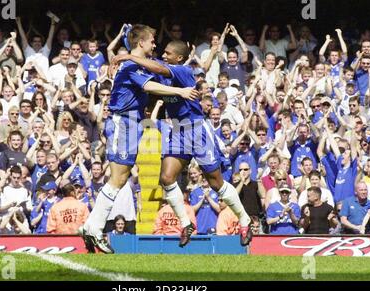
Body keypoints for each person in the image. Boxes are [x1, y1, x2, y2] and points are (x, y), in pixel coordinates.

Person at [111, 38, 253, 248]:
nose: (163, 54)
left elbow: (157, 66)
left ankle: (244, 219)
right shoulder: (163, 67)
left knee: (215, 183)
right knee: (166, 178)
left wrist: (130, 56)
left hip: (196, 130)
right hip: (177, 129)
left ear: (179, 58)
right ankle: (186, 224)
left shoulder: (182, 72)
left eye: (168, 53)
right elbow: (149, 72)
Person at [79, 24, 200, 254]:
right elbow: (149, 86)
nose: (155, 44)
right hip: (123, 123)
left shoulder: (137, 63)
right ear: (141, 42)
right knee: (117, 178)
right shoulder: (130, 65)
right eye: (152, 40)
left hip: (133, 124)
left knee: (120, 178)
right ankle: (94, 228)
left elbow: (153, 74)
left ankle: (90, 226)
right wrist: (180, 92)